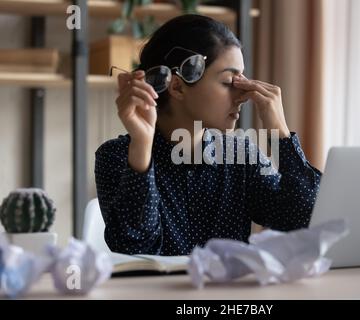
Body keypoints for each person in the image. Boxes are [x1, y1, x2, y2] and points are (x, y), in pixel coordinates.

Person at [95, 14, 322, 255]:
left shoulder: (240, 155)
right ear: (178, 87)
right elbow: (134, 248)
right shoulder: (117, 156)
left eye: (241, 80)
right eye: (228, 82)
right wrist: (141, 146)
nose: (242, 95)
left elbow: (305, 222)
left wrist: (280, 133)